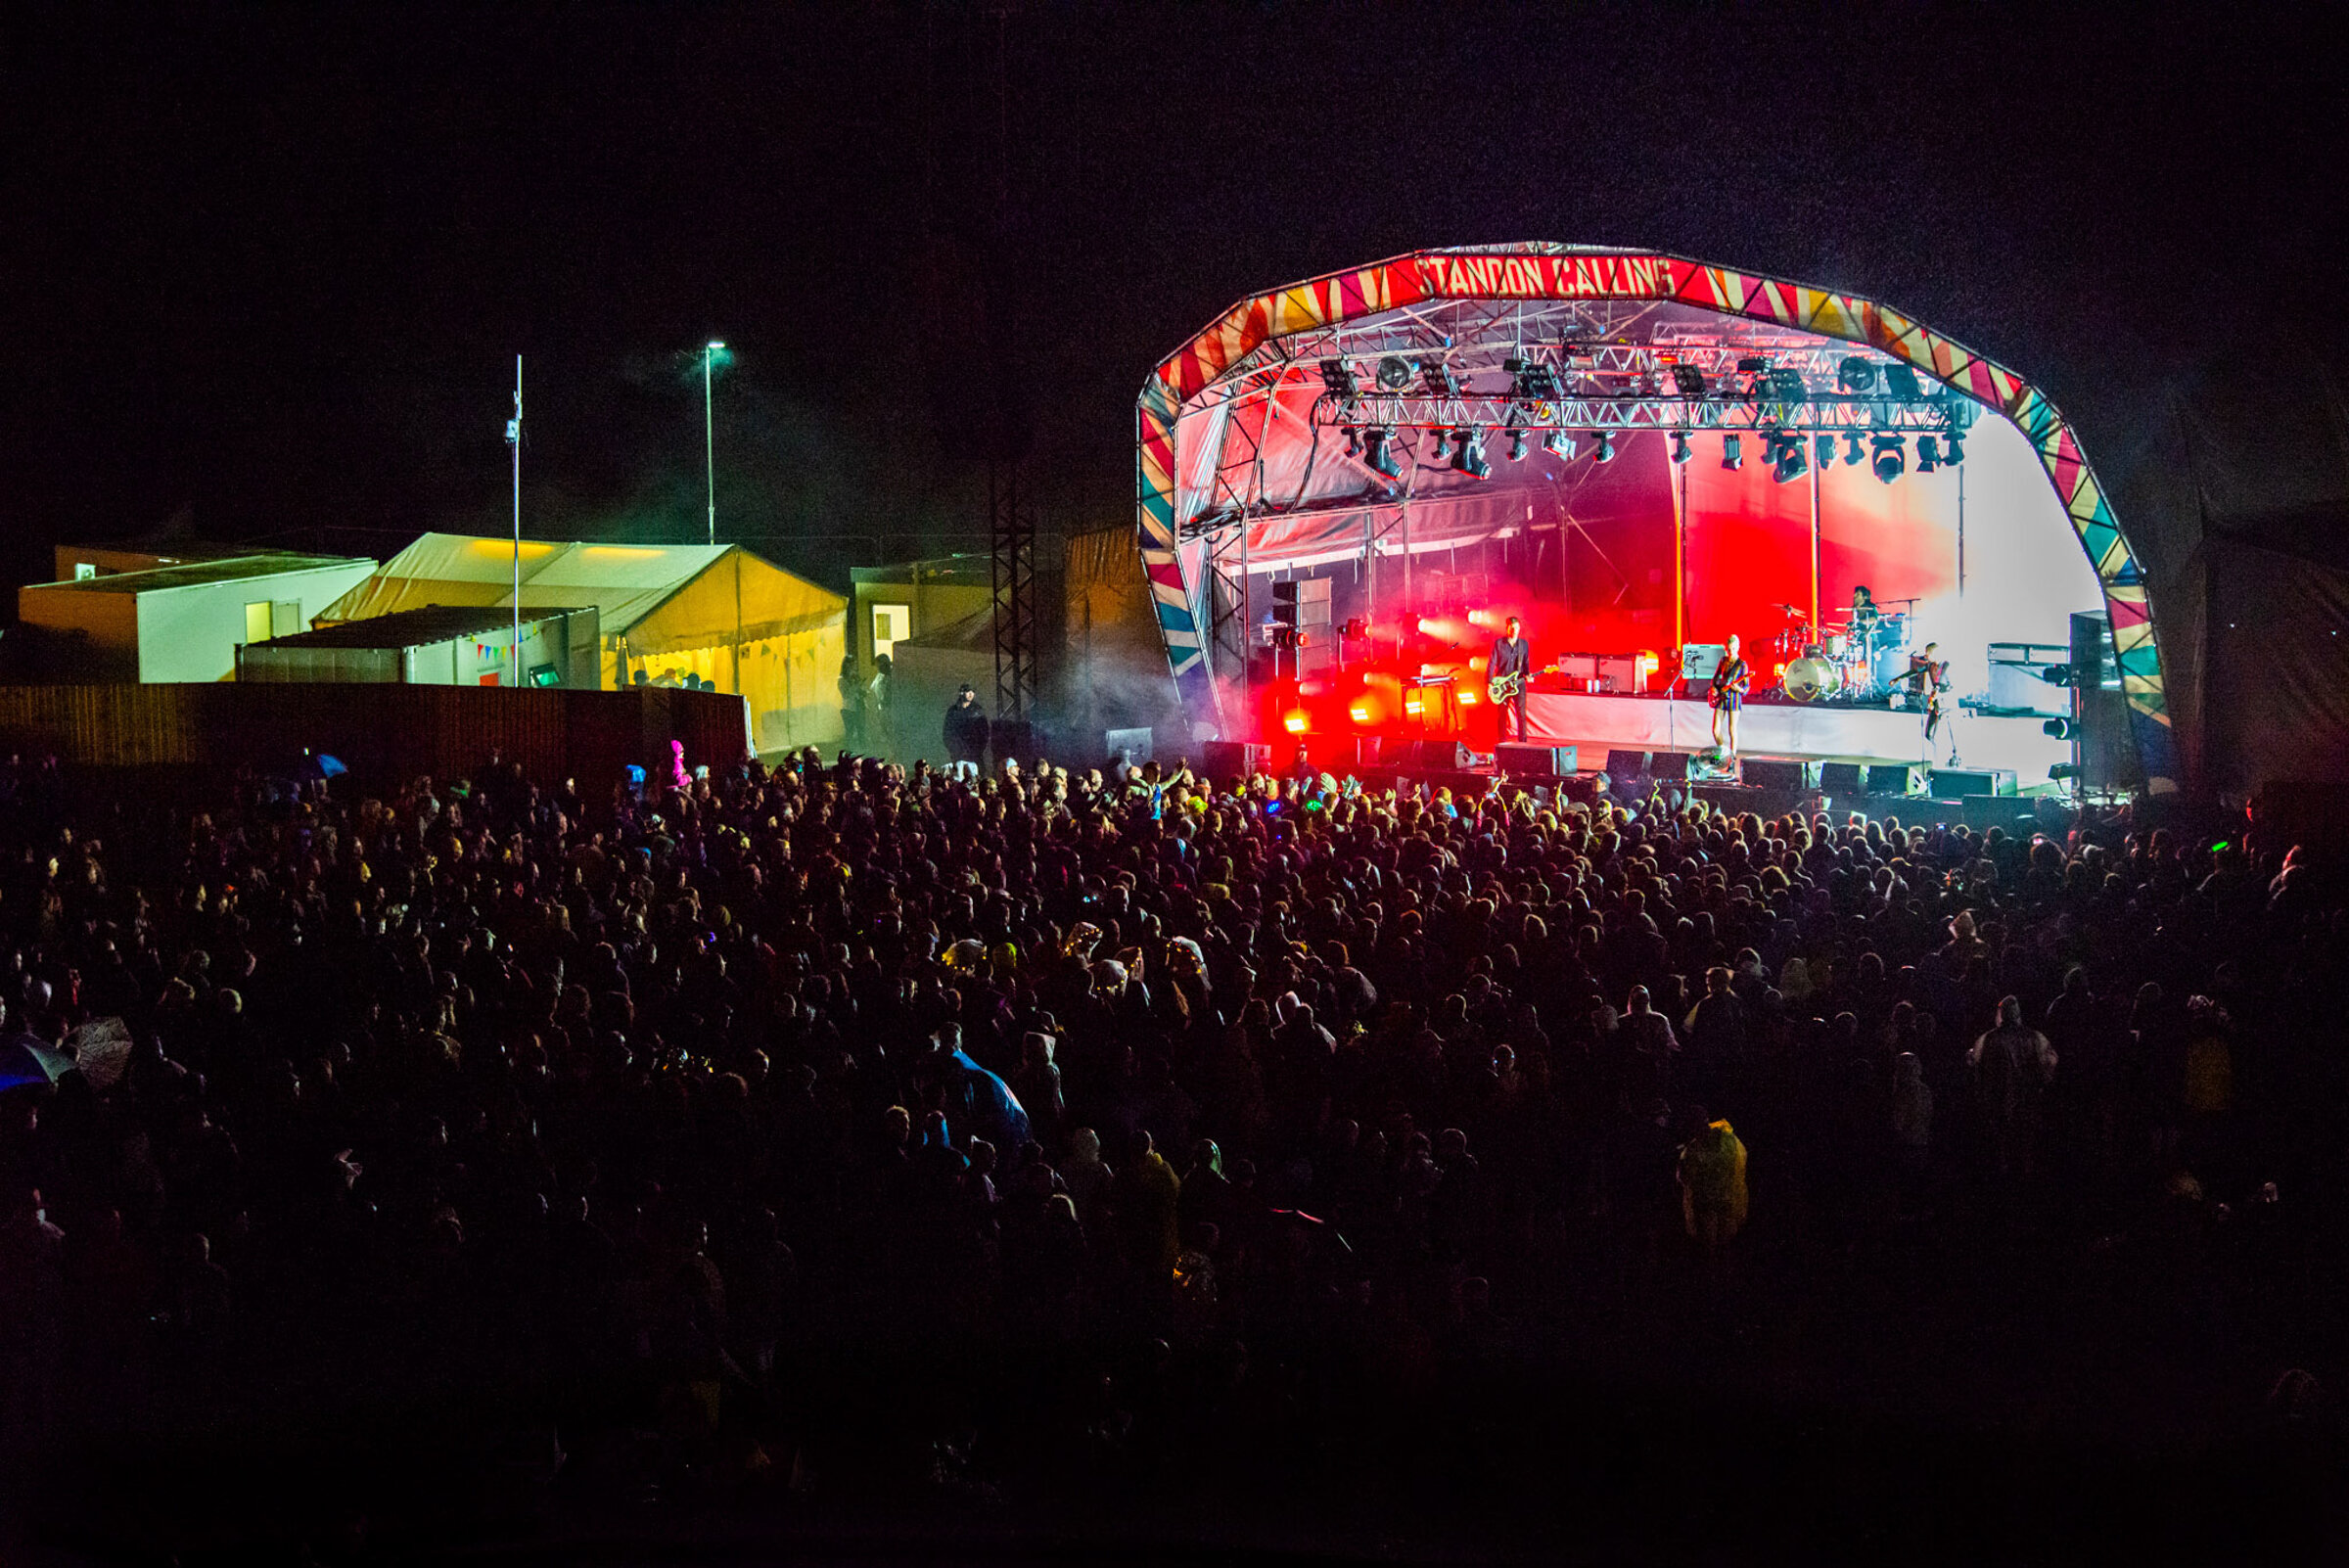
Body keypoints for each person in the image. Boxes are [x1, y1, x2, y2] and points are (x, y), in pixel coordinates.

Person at [1967, 995, 2056, 1180]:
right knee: (2025, 1138)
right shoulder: (2033, 1037)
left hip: (1998, 1098)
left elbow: (1975, 1063)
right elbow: (2050, 1061)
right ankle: (2025, 1176)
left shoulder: (1989, 1038)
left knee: (2001, 1139)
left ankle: (2004, 1176)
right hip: (2027, 1097)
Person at [1487, 615, 1532, 742]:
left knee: (1521, 714)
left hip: (1518, 683)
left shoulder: (1523, 644)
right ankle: (1502, 742)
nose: (1514, 631)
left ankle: (1523, 743)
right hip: (1502, 683)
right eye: (1512, 628)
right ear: (1507, 628)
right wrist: (1489, 683)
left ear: (1519, 628)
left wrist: (1528, 675)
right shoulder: (1499, 644)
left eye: (1516, 628)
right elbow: (1491, 663)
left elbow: (1526, 663)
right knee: (1502, 714)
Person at [1708, 632, 1750, 759]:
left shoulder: (1742, 665)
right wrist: (1714, 687)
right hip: (1721, 697)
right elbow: (1715, 678)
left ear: (1738, 647)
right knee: (1715, 730)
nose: (1731, 651)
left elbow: (1747, 687)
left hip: (1734, 698)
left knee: (1732, 729)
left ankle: (1732, 756)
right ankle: (1722, 750)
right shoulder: (1723, 661)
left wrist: (1739, 689)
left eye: (1733, 648)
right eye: (1729, 648)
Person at [943, 684, 990, 782]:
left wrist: (979, 748)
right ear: (961, 693)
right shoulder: (953, 711)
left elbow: (984, 731)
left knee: (977, 777)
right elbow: (947, 731)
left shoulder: (978, 710)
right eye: (968, 691)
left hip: (974, 752)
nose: (971, 694)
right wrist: (953, 748)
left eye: (972, 692)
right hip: (958, 751)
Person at [837, 655, 866, 752]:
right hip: (848, 709)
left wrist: (863, 692)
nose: (855, 666)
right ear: (847, 665)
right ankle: (848, 753)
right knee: (850, 733)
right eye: (852, 664)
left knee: (862, 732)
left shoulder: (856, 676)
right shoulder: (842, 679)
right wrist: (855, 685)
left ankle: (863, 752)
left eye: (855, 664)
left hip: (859, 707)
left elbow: (858, 691)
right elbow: (846, 695)